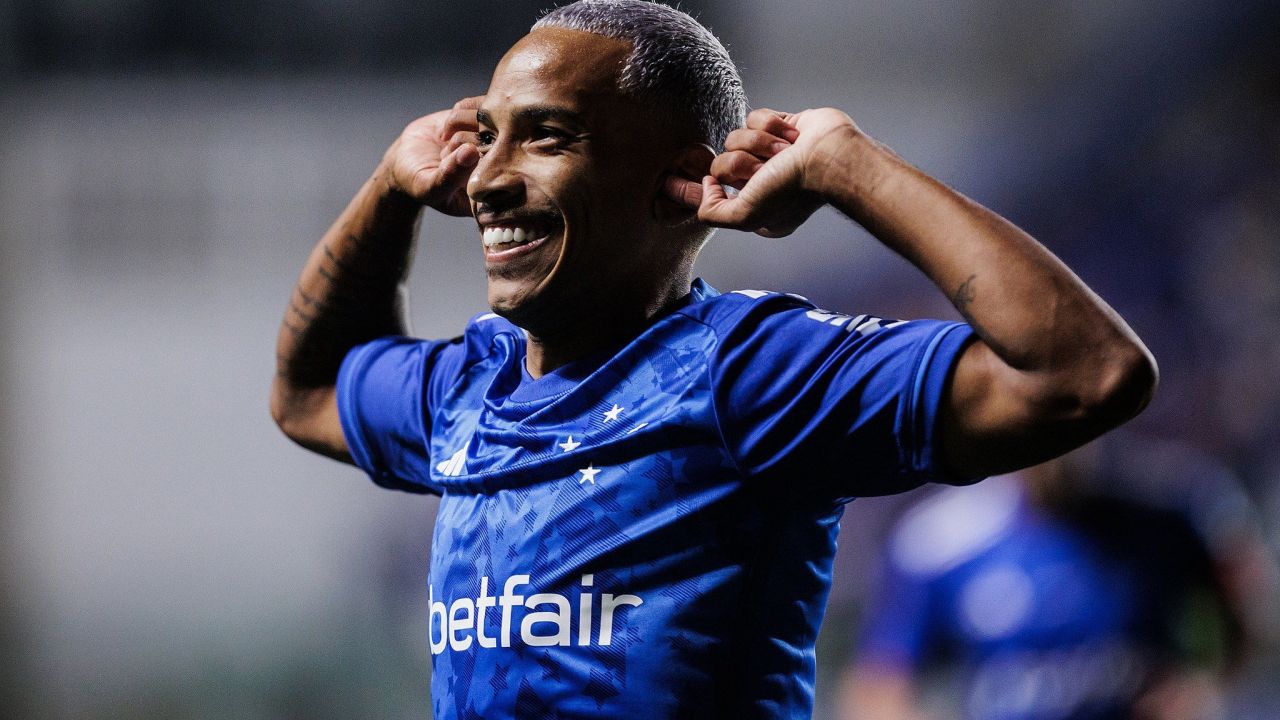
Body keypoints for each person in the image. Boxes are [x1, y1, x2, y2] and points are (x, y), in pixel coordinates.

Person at [269, 1, 1157, 717]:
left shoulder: (747, 372)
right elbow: (307, 391)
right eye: (488, 134)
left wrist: (851, 169)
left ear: (678, 181)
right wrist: (389, 189)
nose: (485, 180)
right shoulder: (467, 388)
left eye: (546, 137)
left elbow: (1084, 373)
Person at [838, 443, 1266, 720]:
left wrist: (1206, 688)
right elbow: (879, 686)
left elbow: (1246, 618)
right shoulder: (938, 542)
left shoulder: (1172, 513)